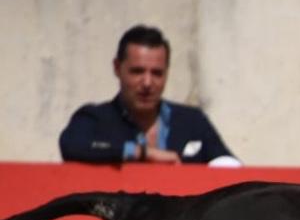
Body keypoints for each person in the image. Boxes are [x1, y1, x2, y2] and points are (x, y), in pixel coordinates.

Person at [59, 25, 238, 165]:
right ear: (117, 68)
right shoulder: (95, 119)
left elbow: (228, 166)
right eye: (137, 72)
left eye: (157, 73)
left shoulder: (192, 121)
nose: (147, 83)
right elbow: (71, 145)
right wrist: (141, 154)